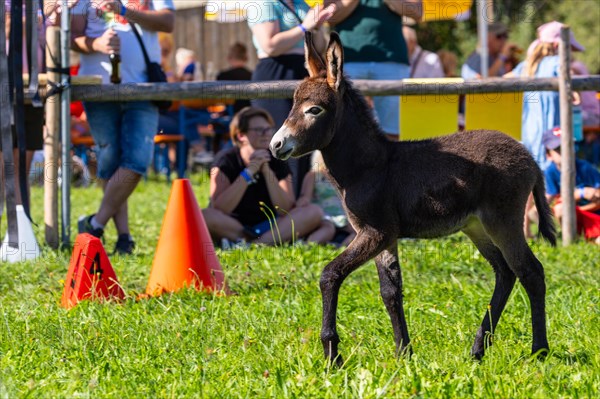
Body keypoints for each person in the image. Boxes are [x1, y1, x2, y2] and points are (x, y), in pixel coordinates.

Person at [70, 0, 175, 255]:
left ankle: (95, 225)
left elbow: (167, 22)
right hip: (97, 88)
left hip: (142, 88)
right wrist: (96, 44)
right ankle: (124, 237)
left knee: (137, 160)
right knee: (110, 161)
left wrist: (125, 11)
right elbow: (71, 38)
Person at [247, 1, 335, 197]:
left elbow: (319, 45)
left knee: (305, 146)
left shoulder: (301, 4)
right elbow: (270, 45)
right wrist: (304, 26)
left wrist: (317, 26)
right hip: (274, 74)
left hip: (303, 74)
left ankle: (301, 206)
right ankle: (280, 207)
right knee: (282, 143)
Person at [202, 107, 323, 246]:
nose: (266, 134)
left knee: (314, 212)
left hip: (271, 225)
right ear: (241, 135)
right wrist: (249, 172)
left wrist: (266, 170)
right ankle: (260, 241)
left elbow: (285, 208)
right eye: (259, 130)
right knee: (205, 216)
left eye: (269, 129)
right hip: (234, 225)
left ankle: (256, 243)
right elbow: (220, 208)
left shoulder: (276, 159)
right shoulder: (225, 160)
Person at [325, 0, 422, 139]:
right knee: (344, 129)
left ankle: (392, 161)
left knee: (392, 130)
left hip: (392, 60)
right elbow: (329, 17)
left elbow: (418, 13)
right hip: (349, 60)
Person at [506, 20, 585, 170]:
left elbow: (504, 79)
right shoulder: (557, 63)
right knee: (555, 173)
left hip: (530, 134)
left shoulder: (527, 66)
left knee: (534, 176)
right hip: (553, 135)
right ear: (557, 46)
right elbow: (568, 75)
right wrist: (574, 90)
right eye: (568, 48)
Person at [1, 0, 45, 209]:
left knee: (21, 171)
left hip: (35, 90)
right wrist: (29, 21)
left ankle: (21, 232)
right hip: (5, 90)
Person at [542, 127, 600, 245]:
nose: (565, 152)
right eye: (558, 149)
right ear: (548, 154)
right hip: (575, 214)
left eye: (568, 147)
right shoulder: (550, 172)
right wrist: (580, 193)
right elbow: (548, 200)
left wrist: (580, 209)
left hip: (593, 214)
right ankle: (572, 239)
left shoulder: (585, 167)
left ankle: (587, 239)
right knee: (559, 208)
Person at [297, 151, 356, 246]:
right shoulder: (313, 175)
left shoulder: (343, 177)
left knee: (359, 230)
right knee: (328, 229)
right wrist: (303, 201)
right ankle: (306, 246)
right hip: (324, 214)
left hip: (341, 216)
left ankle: (341, 250)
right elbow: (305, 197)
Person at [216, 42, 253, 114]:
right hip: (249, 115)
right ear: (246, 58)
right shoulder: (253, 76)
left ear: (229, 57)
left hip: (228, 118)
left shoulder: (222, 76)